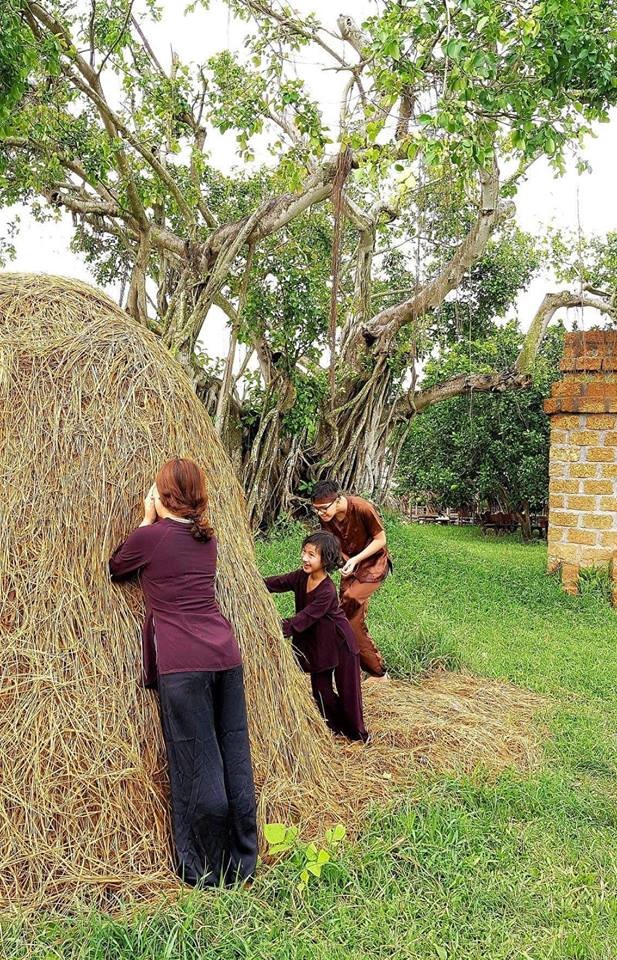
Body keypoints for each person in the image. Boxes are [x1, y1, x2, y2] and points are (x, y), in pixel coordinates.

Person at [108, 457, 257, 888]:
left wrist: (146, 517)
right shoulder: (205, 539)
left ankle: (205, 870)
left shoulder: (152, 538)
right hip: (225, 655)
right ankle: (243, 859)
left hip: (184, 664)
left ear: (164, 495)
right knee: (234, 754)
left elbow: (117, 567)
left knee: (196, 763)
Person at [264, 531, 368, 742]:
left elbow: (304, 618)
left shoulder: (326, 591)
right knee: (321, 692)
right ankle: (339, 729)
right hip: (321, 643)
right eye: (304, 552)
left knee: (349, 693)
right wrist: (250, 583)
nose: (304, 558)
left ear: (326, 559)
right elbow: (277, 583)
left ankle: (358, 736)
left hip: (340, 643)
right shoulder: (302, 577)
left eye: (311, 555)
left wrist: (271, 628)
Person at [311, 480, 390, 679]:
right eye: (316, 510)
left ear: (338, 500)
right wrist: (338, 563)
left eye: (323, 509)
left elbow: (381, 540)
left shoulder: (362, 507)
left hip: (373, 565)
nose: (321, 514)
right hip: (349, 567)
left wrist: (356, 559)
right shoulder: (326, 517)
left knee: (349, 601)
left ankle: (330, 651)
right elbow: (332, 545)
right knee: (350, 623)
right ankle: (375, 672)